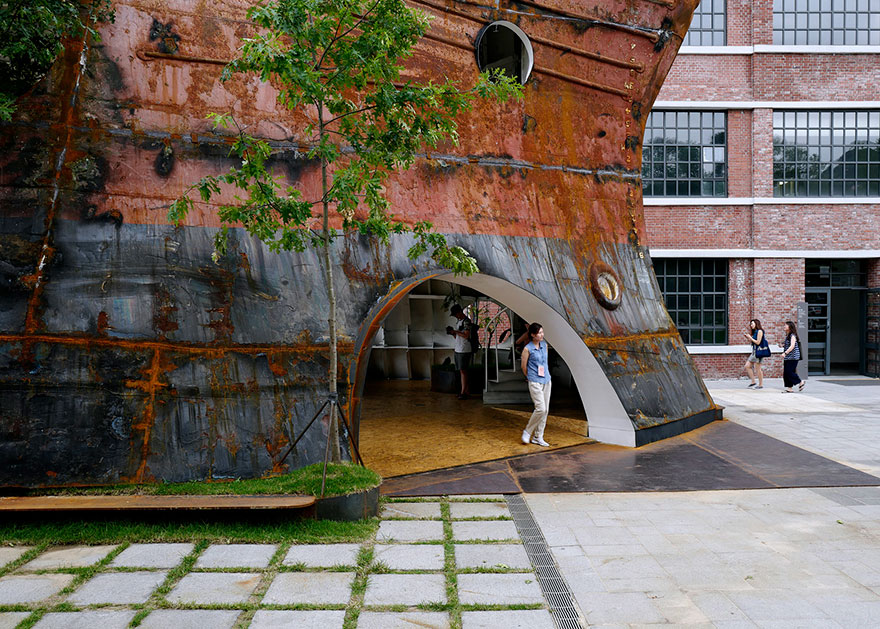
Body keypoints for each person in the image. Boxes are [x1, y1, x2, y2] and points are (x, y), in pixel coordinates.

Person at [520, 322, 551, 447]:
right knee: (540, 408)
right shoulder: (527, 349)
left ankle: (538, 437)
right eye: (539, 333)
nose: (542, 334)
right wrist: (529, 377)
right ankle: (528, 431)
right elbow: (523, 366)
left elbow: (545, 363)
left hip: (546, 379)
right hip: (534, 380)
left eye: (542, 332)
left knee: (546, 410)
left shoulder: (545, 345)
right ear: (533, 335)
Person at [447, 304, 473, 399]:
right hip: (458, 348)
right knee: (462, 371)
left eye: (455, 314)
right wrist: (453, 333)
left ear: (459, 312)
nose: (455, 316)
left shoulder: (466, 321)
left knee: (463, 371)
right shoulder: (459, 321)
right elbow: (458, 336)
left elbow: (466, 335)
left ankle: (463, 393)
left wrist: (456, 331)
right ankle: (466, 391)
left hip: (464, 349)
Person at [781, 320, 805, 393]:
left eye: (786, 325)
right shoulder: (788, 336)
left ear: (790, 327)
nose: (784, 326)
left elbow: (792, 346)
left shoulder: (792, 335)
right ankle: (789, 388)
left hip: (793, 357)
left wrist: (785, 353)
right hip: (788, 357)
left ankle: (800, 382)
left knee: (789, 372)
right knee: (786, 372)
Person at [742, 319, 766, 389]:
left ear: (756, 324)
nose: (751, 325)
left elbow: (758, 342)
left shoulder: (760, 331)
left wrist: (750, 338)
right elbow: (754, 342)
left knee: (758, 368)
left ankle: (761, 384)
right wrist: (749, 338)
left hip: (759, 352)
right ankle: (753, 382)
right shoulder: (755, 332)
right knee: (747, 366)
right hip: (754, 352)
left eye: (752, 324)